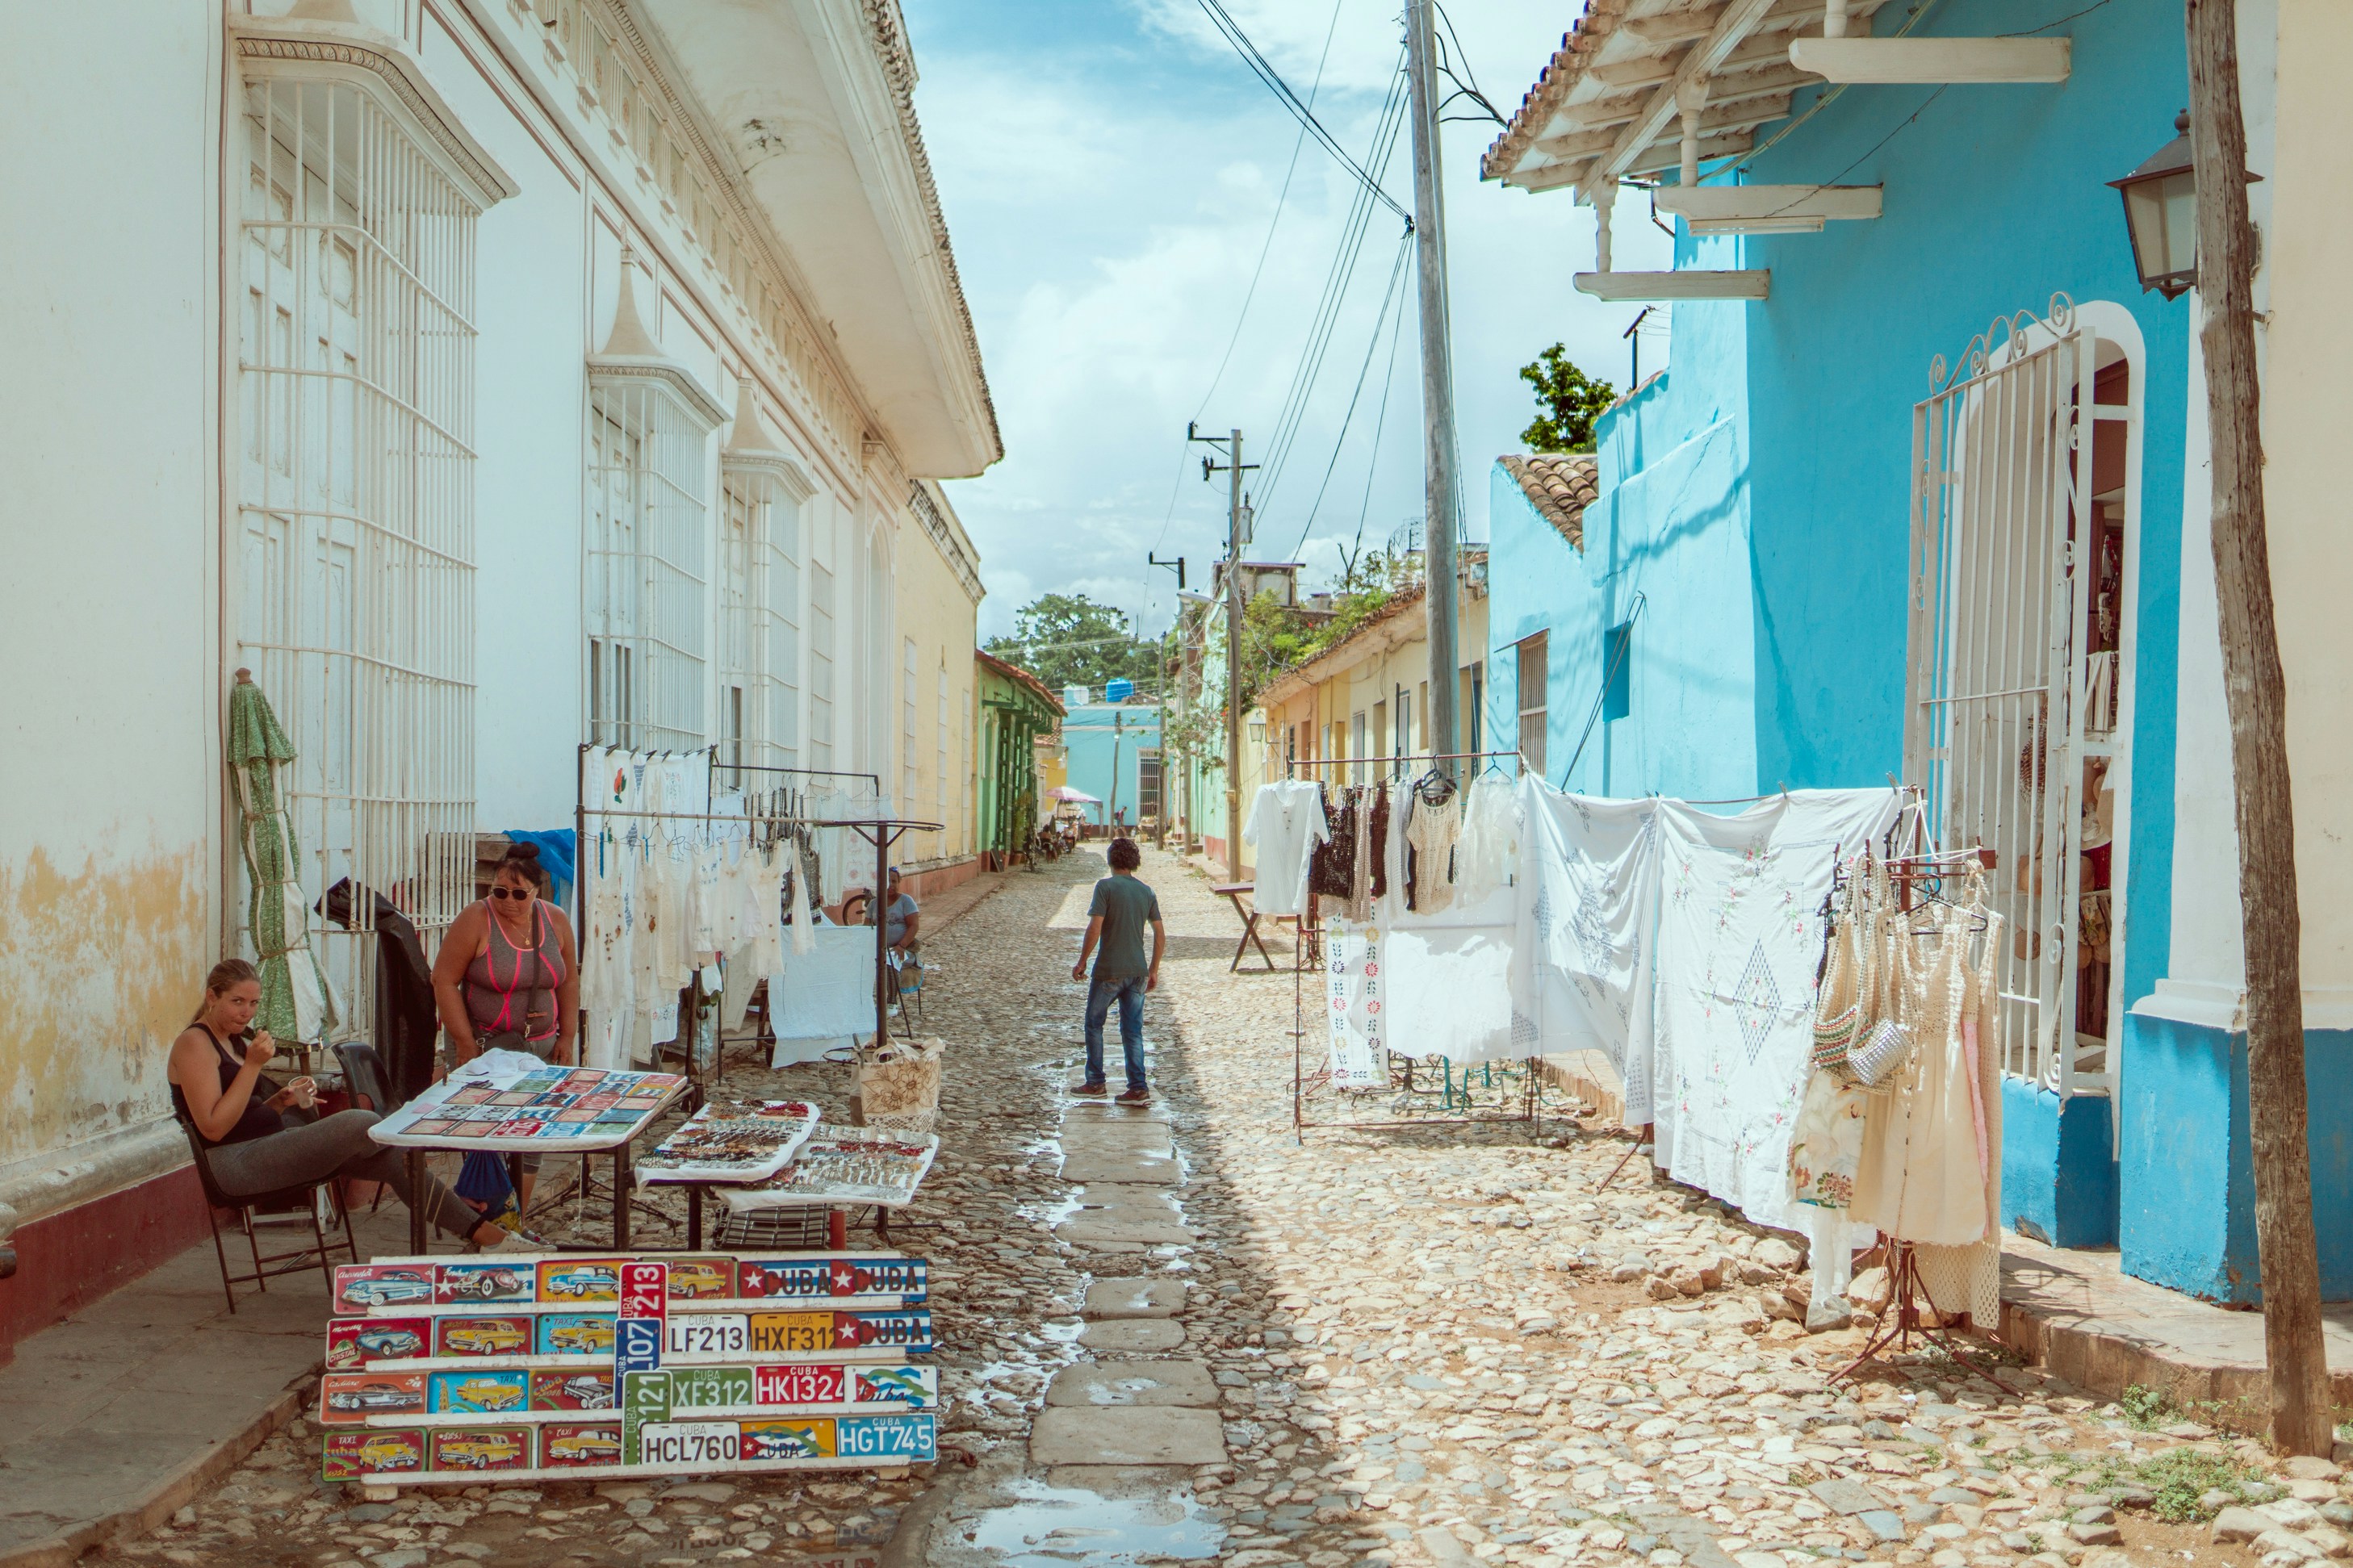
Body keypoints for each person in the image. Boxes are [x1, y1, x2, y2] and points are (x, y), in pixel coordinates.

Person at [169, 960, 534, 1252]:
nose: (246, 1012)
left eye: (253, 1003)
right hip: (233, 1165)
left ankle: (485, 1235)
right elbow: (214, 1128)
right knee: (360, 1121)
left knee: (397, 1159)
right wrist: (252, 1066)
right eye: (237, 1002)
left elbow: (241, 1114)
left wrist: (280, 1101)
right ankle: (423, 1138)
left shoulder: (232, 1039)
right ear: (211, 997)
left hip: (263, 1146)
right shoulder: (194, 1044)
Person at [432, 841, 580, 1212]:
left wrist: (568, 1034)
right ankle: (486, 1221)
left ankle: (518, 1218)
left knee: (533, 1132)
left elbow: (569, 980)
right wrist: (464, 1044)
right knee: (485, 1133)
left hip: (541, 1046)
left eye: (518, 894)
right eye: (499, 891)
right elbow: (443, 979)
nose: (507, 900)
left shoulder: (556, 920)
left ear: (536, 891)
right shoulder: (476, 919)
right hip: (484, 1046)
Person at [1070, 837, 1166, 1105]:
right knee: (1133, 1030)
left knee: (1094, 1024)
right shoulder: (1147, 892)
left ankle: (1096, 1082)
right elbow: (1160, 934)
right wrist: (1153, 969)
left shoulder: (1105, 887)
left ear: (1111, 860)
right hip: (1138, 972)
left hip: (1109, 970)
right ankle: (1138, 1088)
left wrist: (1082, 962)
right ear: (1134, 862)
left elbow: (1095, 928)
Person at [869, 868, 920, 954]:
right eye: (887, 882)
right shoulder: (873, 904)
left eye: (894, 881)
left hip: (903, 949)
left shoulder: (906, 901)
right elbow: (866, 928)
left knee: (890, 963)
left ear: (898, 882)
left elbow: (914, 926)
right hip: (880, 950)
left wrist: (901, 946)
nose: (890, 885)